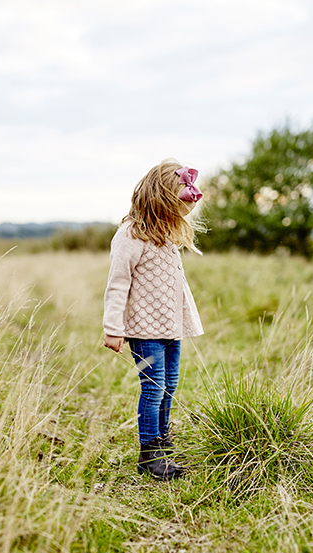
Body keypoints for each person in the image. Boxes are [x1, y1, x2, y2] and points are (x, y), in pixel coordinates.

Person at [103, 160, 206, 481]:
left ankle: (163, 443)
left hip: (170, 326)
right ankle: (149, 455)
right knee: (154, 388)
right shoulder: (130, 236)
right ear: (158, 198)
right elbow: (117, 284)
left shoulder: (165, 236)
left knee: (169, 386)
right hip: (144, 330)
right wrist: (113, 328)